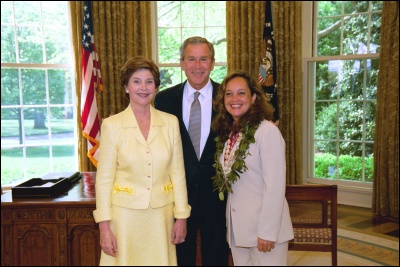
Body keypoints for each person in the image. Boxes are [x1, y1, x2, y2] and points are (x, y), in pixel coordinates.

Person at [93, 56, 191, 266]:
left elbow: (178, 173)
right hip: (124, 218)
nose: (143, 87)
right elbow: (104, 180)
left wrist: (181, 217)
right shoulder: (112, 125)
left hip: (161, 218)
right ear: (126, 87)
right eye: (136, 81)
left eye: (149, 81)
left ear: (156, 87)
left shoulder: (170, 123)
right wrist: (104, 227)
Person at [154, 36, 230, 266]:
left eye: (203, 59)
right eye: (191, 59)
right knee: (179, 258)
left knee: (216, 257)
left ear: (213, 63)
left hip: (218, 197)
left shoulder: (227, 98)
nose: (198, 66)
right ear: (182, 63)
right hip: (176, 197)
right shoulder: (163, 100)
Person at [211, 71, 294, 266]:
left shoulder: (267, 131)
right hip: (239, 232)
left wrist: (267, 231)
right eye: (229, 94)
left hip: (263, 233)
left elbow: (275, 187)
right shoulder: (232, 134)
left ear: (254, 97)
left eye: (241, 93)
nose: (234, 99)